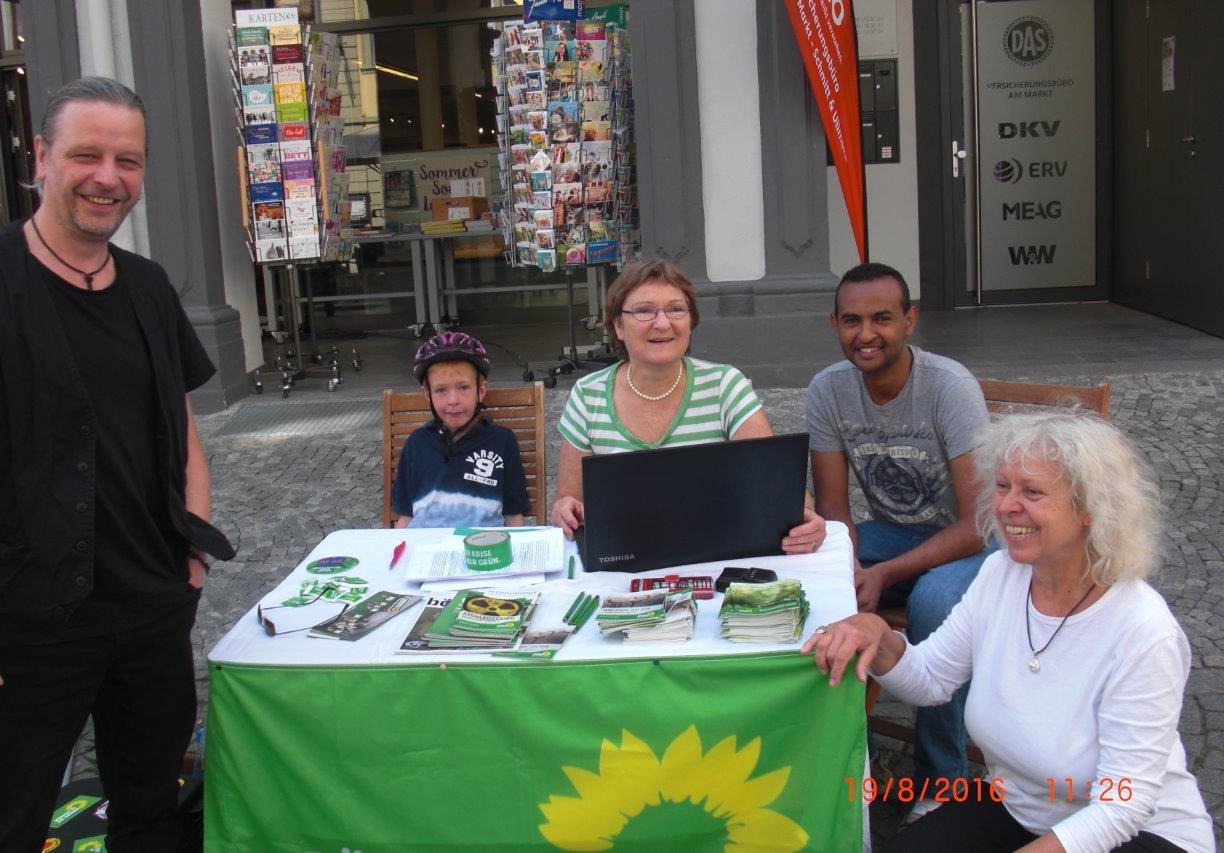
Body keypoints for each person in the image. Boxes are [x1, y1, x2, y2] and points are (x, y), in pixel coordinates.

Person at [0, 77, 234, 850]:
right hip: (19, 623)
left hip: (147, 610)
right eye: (87, 154)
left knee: (151, 811)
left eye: (128, 160)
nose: (109, 177)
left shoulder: (146, 286)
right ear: (41, 156)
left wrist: (192, 556)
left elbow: (184, 437)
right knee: (5, 823)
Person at [804, 412, 1214, 852]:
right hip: (1020, 808)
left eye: (1032, 492)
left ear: (1091, 509)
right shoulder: (1001, 573)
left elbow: (1122, 805)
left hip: (1139, 835)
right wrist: (879, 636)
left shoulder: (1143, 631)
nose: (1005, 506)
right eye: (1002, 487)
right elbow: (932, 679)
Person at [806, 261, 994, 816]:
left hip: (975, 541)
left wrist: (883, 573)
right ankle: (840, 755)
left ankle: (942, 781)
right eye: (852, 321)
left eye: (882, 318)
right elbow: (836, 514)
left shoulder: (948, 387)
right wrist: (848, 569)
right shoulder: (827, 389)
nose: (866, 334)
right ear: (835, 324)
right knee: (815, 572)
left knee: (935, 602)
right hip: (892, 533)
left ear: (910, 320)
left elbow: (977, 523)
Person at [551, 259, 825, 554]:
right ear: (618, 325)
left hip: (715, 553)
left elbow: (776, 488)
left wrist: (806, 517)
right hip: (624, 558)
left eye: (675, 309)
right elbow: (570, 503)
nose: (662, 323)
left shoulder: (724, 385)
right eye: (644, 311)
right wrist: (565, 511)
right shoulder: (587, 395)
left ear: (690, 321)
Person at [392, 332, 529, 528]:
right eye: (441, 390)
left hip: (483, 550)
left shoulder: (502, 441)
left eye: (463, 387)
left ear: (480, 391)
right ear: (428, 395)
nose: (453, 400)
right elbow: (405, 516)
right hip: (425, 552)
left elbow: (514, 516)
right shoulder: (417, 443)